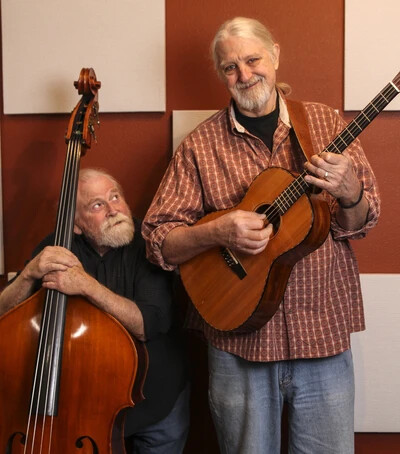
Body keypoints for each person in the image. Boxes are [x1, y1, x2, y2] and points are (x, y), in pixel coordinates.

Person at [142, 16, 380, 454]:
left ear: (275, 56)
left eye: (252, 59)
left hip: (321, 334)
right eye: (230, 67)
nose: (245, 74)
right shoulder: (200, 145)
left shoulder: (327, 125)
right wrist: (218, 231)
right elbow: (159, 240)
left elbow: (361, 223)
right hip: (238, 344)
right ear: (221, 74)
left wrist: (350, 192)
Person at [0, 168, 189, 454]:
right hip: (86, 412)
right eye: (98, 205)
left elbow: (148, 324)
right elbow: (4, 313)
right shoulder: (57, 246)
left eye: (116, 197)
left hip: (156, 402)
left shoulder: (149, 245)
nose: (114, 210)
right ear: (75, 224)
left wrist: (87, 286)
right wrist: (27, 275)